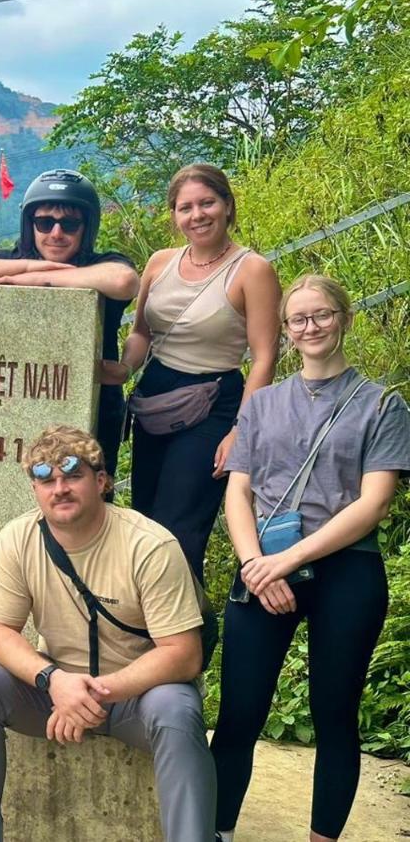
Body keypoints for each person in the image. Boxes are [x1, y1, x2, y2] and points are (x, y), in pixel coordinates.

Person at [211, 274, 410, 842]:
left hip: (347, 570)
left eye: (321, 315)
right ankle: (216, 832)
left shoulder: (382, 405)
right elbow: (238, 489)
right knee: (239, 713)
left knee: (334, 715)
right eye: (299, 319)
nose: (311, 327)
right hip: (264, 564)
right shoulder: (264, 404)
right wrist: (256, 564)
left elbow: (372, 504)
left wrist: (285, 561)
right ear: (286, 330)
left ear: (344, 318)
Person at [0, 425, 213, 842]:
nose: (60, 489)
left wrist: (92, 693)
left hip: (135, 695)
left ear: (101, 481)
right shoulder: (18, 538)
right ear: (35, 489)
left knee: (177, 710)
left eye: (73, 476)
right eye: (46, 480)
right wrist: (53, 681)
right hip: (54, 692)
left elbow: (183, 654)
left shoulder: (150, 545)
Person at [116, 163, 281, 582]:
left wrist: (240, 431)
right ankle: (146, 633)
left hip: (214, 402)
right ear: (174, 215)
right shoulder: (159, 263)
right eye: (185, 207)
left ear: (227, 205)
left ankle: (186, 637)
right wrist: (120, 369)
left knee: (179, 529)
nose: (197, 215)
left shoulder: (252, 270)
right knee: (145, 520)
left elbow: (264, 356)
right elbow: (141, 334)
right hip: (156, 398)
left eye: (207, 203)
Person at [0, 168, 139, 479]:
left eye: (69, 224)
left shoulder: (100, 264)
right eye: (44, 222)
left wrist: (41, 278)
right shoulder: (12, 258)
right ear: (30, 224)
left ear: (87, 227)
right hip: (8, 407)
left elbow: (123, 280)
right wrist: (30, 264)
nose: (56, 233)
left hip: (95, 412)